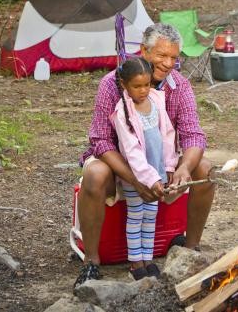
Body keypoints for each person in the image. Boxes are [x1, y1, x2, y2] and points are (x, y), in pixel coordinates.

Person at [74, 23, 213, 290]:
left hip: (161, 162)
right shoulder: (113, 83)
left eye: (174, 57)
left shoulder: (178, 86)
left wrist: (183, 168)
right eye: (161, 55)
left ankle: (190, 251)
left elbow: (194, 134)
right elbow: (101, 141)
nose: (168, 63)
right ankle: (91, 262)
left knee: (203, 169)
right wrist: (136, 179)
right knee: (94, 173)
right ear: (144, 51)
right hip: (118, 163)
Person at [111, 56, 178, 280]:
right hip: (136, 177)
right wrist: (148, 179)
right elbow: (131, 151)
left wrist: (168, 165)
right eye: (136, 86)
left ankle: (148, 259)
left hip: (157, 171)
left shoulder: (158, 100)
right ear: (124, 85)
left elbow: (167, 134)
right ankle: (136, 262)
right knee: (136, 215)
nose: (142, 91)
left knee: (151, 216)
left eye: (146, 85)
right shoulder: (123, 112)